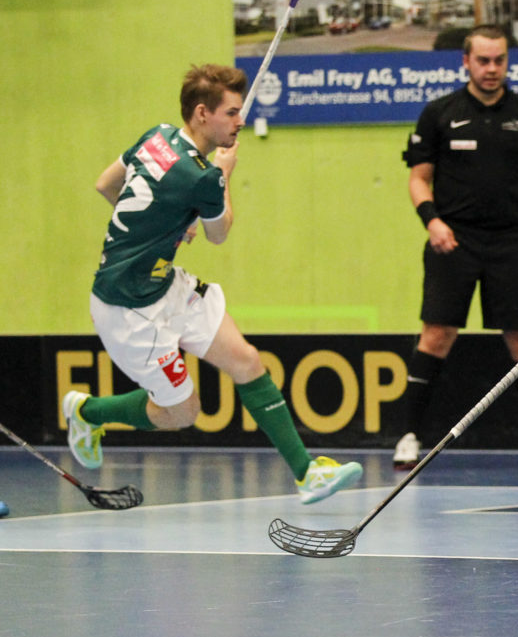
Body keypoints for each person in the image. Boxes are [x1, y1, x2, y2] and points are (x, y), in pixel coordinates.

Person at [62, 64, 363, 504]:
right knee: (182, 413)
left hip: (164, 284)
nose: (240, 122)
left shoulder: (157, 136)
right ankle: (88, 412)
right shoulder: (202, 176)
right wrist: (223, 175)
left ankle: (307, 474)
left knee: (246, 360)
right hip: (128, 312)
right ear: (202, 113)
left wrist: (166, 223)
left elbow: (107, 184)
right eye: (232, 113)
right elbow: (219, 234)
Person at [397, 25, 518, 469]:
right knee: (436, 335)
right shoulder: (439, 113)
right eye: (483, 60)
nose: (491, 69)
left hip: (511, 241)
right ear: (465, 62)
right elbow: (418, 179)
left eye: (499, 60)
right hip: (454, 241)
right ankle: (409, 436)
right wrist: (432, 222)